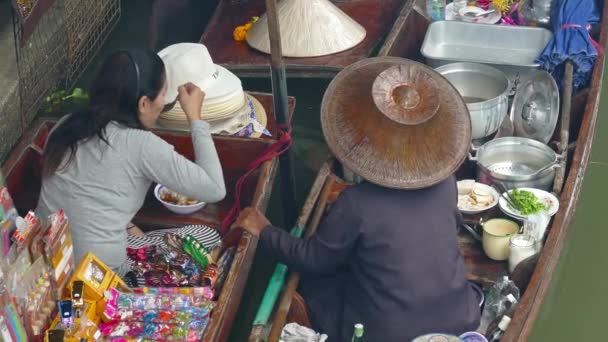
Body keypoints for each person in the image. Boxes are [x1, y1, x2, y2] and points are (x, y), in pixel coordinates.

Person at [232, 58, 481, 341]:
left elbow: (314, 259)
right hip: (461, 316)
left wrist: (264, 230)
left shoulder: (357, 202)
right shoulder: (446, 184)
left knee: (316, 286)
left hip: (389, 333)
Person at [36, 49, 226, 277]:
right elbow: (215, 189)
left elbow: (89, 195)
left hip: (43, 261)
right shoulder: (142, 145)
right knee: (207, 235)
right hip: (98, 276)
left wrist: (127, 226)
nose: (162, 104)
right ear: (144, 103)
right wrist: (195, 117)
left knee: (136, 234)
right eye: (163, 96)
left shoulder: (66, 125)